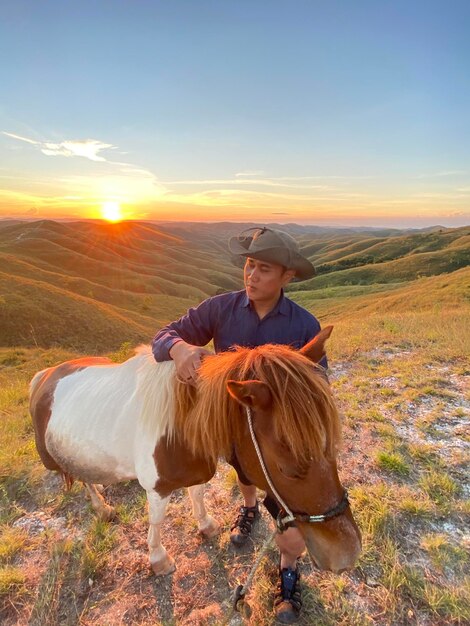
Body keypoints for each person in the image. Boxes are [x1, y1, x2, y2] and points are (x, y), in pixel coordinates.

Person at [152, 226, 327, 624]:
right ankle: (248, 507)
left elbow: (319, 385)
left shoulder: (303, 325)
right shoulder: (221, 309)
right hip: (232, 428)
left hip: (278, 436)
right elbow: (164, 335)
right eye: (249, 265)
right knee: (241, 470)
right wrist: (179, 349)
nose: (251, 276)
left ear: (288, 276)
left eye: (264, 269)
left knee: (287, 509)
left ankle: (288, 571)